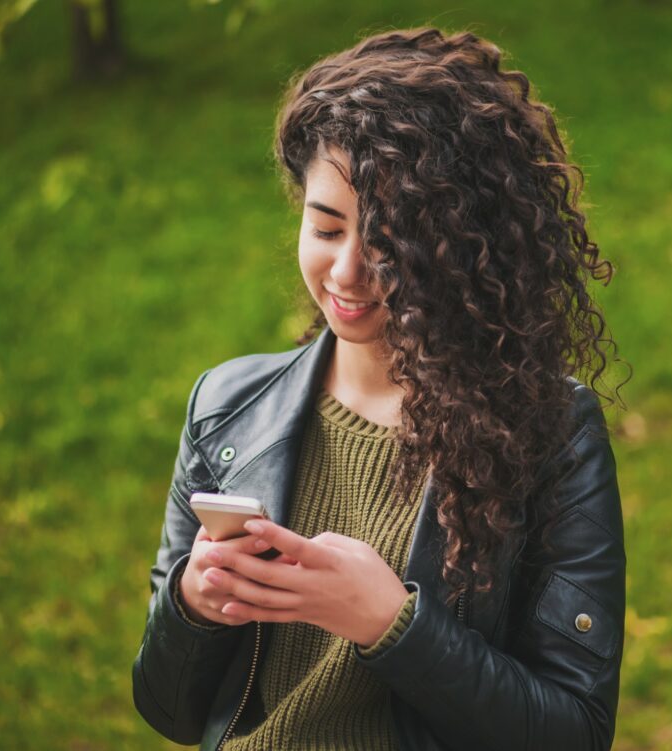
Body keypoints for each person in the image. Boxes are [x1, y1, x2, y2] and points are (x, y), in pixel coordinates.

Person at [132, 26, 628, 751]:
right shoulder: (228, 408)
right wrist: (192, 602)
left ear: (462, 241)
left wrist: (391, 623)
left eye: (392, 239)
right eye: (327, 228)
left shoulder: (548, 431)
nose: (348, 273)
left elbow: (574, 731)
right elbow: (167, 709)